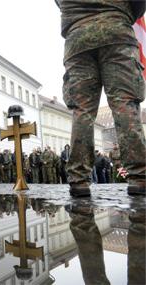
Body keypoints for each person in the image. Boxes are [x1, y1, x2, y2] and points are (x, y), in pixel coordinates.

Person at [56, 0, 146, 196]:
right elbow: (139, 4)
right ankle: (139, 177)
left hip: (77, 37)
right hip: (116, 30)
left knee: (82, 111)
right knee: (124, 103)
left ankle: (78, 180)